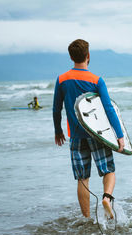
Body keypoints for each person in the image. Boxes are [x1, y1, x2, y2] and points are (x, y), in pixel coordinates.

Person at [53, 39, 124, 219]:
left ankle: (87, 219)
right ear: (88, 56)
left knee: (82, 179)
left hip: (76, 136)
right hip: (98, 134)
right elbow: (108, 109)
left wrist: (58, 131)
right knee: (108, 171)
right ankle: (106, 198)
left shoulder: (62, 79)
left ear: (71, 57)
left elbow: (56, 108)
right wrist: (119, 135)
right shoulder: (96, 80)